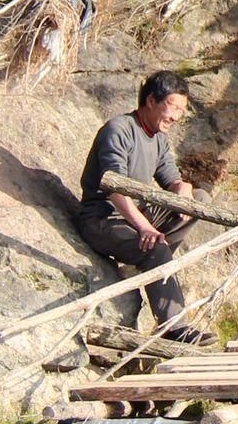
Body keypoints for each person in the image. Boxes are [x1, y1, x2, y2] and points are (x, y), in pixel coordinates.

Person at [76, 71, 205, 339]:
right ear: (151, 101)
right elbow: (114, 189)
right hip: (104, 219)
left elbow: (172, 180)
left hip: (137, 215)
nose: (177, 117)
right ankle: (175, 328)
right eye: (174, 108)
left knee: (200, 202)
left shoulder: (158, 137)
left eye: (182, 110)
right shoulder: (119, 130)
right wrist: (145, 229)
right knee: (157, 250)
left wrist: (183, 190)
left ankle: (149, 257)